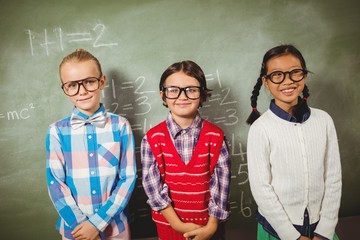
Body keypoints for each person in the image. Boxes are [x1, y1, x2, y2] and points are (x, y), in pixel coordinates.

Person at [246, 44, 342, 240]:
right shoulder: (260, 128)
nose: (287, 81)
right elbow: (261, 188)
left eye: (295, 73)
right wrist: (292, 236)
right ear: (266, 81)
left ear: (304, 76)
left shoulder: (323, 120)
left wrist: (324, 231)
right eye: (277, 75)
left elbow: (333, 179)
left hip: (320, 229)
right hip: (278, 230)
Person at [46, 49, 136, 240]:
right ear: (64, 88)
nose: (82, 91)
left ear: (101, 81)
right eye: (72, 85)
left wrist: (97, 223)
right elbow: (55, 182)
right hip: (75, 231)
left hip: (115, 228)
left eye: (89, 82)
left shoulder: (120, 127)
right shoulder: (56, 131)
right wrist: (82, 228)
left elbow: (127, 178)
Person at [141, 60, 231, 240]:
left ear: (203, 95)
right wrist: (178, 225)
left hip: (209, 229)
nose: (182, 97)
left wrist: (211, 226)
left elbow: (221, 185)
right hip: (169, 227)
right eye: (173, 90)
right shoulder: (152, 139)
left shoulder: (216, 138)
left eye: (191, 90)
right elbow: (153, 187)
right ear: (163, 95)